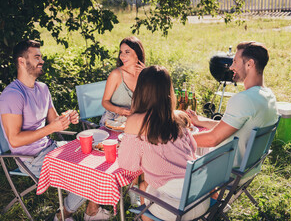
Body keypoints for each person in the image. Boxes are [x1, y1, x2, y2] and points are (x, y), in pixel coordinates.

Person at [0, 40, 111, 221]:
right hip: (31, 159)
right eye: (36, 57)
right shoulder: (12, 95)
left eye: (41, 57)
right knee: (89, 174)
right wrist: (51, 128)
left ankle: (89, 210)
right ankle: (65, 215)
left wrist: (68, 118)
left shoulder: (42, 88)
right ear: (21, 61)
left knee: (98, 158)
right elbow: (15, 140)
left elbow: (54, 121)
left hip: (51, 147)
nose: (41, 61)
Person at [118, 65, 210, 221]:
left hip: (175, 209)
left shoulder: (136, 121)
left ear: (141, 90)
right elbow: (193, 148)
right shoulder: (179, 118)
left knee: (143, 185)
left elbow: (128, 165)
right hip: (201, 200)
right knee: (148, 182)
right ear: (169, 91)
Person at [187, 41, 278, 170]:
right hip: (247, 169)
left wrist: (176, 141)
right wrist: (200, 121)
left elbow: (213, 139)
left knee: (164, 152)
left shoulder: (244, 99)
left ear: (249, 64)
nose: (231, 67)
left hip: (222, 170)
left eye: (235, 62)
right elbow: (235, 128)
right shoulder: (268, 96)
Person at [99, 36, 146, 126]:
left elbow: (151, 101)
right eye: (121, 52)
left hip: (135, 121)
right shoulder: (116, 74)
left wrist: (148, 77)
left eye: (127, 52)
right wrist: (119, 110)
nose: (122, 56)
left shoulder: (145, 74)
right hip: (113, 122)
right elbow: (105, 102)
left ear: (137, 53)